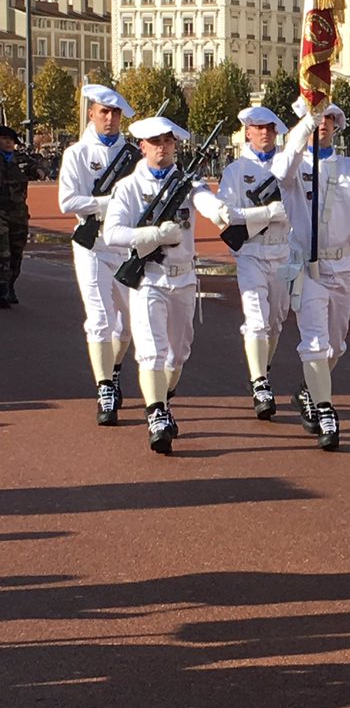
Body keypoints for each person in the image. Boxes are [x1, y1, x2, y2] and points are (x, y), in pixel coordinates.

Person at [103, 115, 231, 454]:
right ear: (143, 147)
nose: (162, 147)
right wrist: (155, 235)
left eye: (168, 141)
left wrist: (218, 209)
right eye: (155, 142)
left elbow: (202, 198)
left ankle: (164, 398)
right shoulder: (128, 187)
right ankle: (156, 413)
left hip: (184, 278)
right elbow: (112, 233)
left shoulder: (187, 182)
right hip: (149, 278)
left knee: (179, 351)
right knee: (152, 350)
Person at [58, 84, 137, 424]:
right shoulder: (76, 153)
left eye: (115, 112)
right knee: (100, 319)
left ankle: (114, 369)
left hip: (126, 246)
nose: (110, 118)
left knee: (128, 324)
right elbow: (67, 201)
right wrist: (108, 204)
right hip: (92, 245)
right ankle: (104, 387)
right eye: (104, 111)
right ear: (91, 113)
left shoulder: (134, 154)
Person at [282, 99, 350, 452]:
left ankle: (310, 389)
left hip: (342, 264)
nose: (322, 123)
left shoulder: (349, 165)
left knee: (336, 344)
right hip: (306, 264)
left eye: (327, 118)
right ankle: (326, 411)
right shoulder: (295, 164)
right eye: (316, 118)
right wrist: (304, 128)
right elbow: (282, 170)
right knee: (314, 340)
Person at [217, 105, 291, 420]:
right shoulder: (236, 170)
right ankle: (260, 382)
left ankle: (264, 366)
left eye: (269, 128)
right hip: (250, 251)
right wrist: (266, 213)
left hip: (283, 252)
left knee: (277, 319)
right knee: (257, 319)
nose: (264, 133)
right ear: (247, 132)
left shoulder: (288, 166)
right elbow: (227, 214)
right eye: (258, 128)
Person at [0, 125, 29, 310]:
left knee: (17, 252)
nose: (9, 143)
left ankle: (10, 286)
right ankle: (2, 290)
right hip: (0, 213)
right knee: (3, 252)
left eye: (11, 140)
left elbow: (39, 170)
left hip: (19, 214)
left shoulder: (22, 160)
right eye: (4, 139)